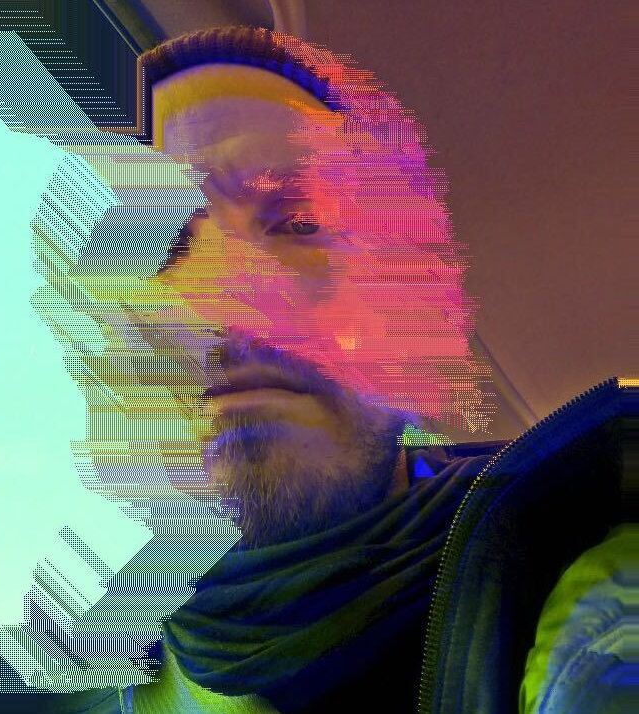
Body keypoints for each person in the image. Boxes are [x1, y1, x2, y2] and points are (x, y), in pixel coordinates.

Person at [34, 25, 634, 714]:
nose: (230, 299)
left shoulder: (581, 558)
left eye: (301, 222)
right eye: (159, 246)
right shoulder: (77, 677)